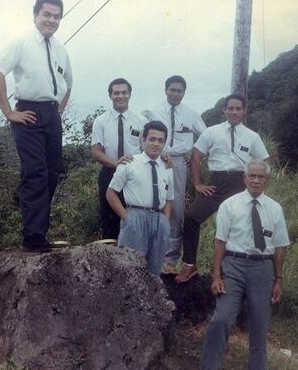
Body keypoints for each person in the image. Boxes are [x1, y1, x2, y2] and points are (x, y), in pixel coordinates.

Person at [193, 160, 290, 370]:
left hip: (263, 270)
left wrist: (278, 279)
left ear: (267, 180)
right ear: (244, 178)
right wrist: (217, 276)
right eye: (252, 176)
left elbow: (279, 247)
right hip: (233, 267)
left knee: (259, 325)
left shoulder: (275, 209)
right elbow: (220, 242)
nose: (256, 180)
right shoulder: (230, 205)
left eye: (261, 177)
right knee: (221, 319)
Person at [0, 0, 72, 251]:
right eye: (47, 14)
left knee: (53, 170)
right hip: (28, 113)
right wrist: (9, 113)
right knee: (35, 172)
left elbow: (68, 83)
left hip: (51, 114)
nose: (52, 20)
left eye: (57, 16)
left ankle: (40, 233)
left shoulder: (60, 48)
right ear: (35, 15)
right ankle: (32, 237)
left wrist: (58, 110)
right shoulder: (22, 42)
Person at [177, 93, 270, 282]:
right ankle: (189, 264)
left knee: (237, 226)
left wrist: (256, 183)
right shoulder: (212, 132)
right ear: (224, 110)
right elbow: (196, 156)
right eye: (230, 108)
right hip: (216, 182)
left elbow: (265, 161)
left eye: (238, 109)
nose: (234, 112)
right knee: (192, 217)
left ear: (244, 111)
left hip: (240, 182)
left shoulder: (252, 137)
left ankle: (227, 270)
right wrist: (198, 183)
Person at [143, 75, 206, 274]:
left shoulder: (191, 114)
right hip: (155, 159)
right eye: (172, 89)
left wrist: (194, 156)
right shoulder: (152, 111)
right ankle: (147, 255)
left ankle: (169, 260)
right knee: (152, 204)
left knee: (176, 209)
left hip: (178, 162)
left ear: (184, 92)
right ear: (166, 90)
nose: (176, 93)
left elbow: (206, 137)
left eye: (180, 90)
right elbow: (140, 134)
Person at [106, 121, 174, 276]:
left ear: (164, 143)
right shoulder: (129, 163)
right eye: (152, 139)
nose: (156, 144)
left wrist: (165, 222)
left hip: (159, 220)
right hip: (135, 217)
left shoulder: (168, 167)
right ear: (143, 140)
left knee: (154, 272)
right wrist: (126, 217)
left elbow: (169, 199)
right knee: (129, 269)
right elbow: (111, 193)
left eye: (160, 140)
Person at [91, 79, 146, 240]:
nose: (120, 96)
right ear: (110, 95)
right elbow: (96, 152)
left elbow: (147, 150)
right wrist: (117, 163)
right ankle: (109, 260)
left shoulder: (141, 121)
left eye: (124, 92)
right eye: (116, 93)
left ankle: (135, 259)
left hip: (135, 176)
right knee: (109, 221)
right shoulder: (101, 121)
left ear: (130, 95)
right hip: (109, 173)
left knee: (135, 216)